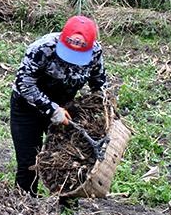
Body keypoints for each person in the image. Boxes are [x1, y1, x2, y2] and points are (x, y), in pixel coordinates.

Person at [10, 15, 107, 198]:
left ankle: (66, 209)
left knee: (69, 160)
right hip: (27, 107)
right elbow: (24, 83)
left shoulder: (95, 52)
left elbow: (99, 84)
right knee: (29, 161)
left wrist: (104, 112)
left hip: (65, 108)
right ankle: (24, 204)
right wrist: (51, 109)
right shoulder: (43, 48)